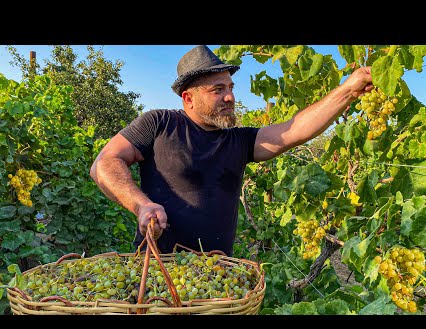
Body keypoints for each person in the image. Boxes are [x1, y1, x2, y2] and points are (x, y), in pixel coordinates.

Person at [90, 45, 373, 256]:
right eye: (218, 89)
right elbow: (104, 163)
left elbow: (295, 130)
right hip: (156, 271)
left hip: (217, 276)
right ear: (188, 98)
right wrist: (142, 205)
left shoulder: (239, 141)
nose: (230, 97)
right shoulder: (159, 124)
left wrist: (348, 90)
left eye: (230, 87)